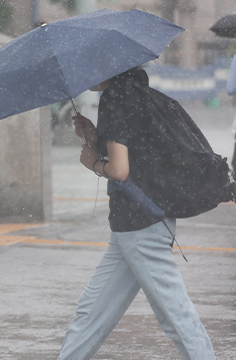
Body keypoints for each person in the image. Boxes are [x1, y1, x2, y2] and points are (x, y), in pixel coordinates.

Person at [57, 67, 215, 360]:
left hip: (140, 226)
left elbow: (120, 170)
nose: (85, 73)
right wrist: (94, 136)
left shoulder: (115, 98)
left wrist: (93, 162)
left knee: (176, 317)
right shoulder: (139, 94)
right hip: (136, 225)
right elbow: (141, 159)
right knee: (91, 314)